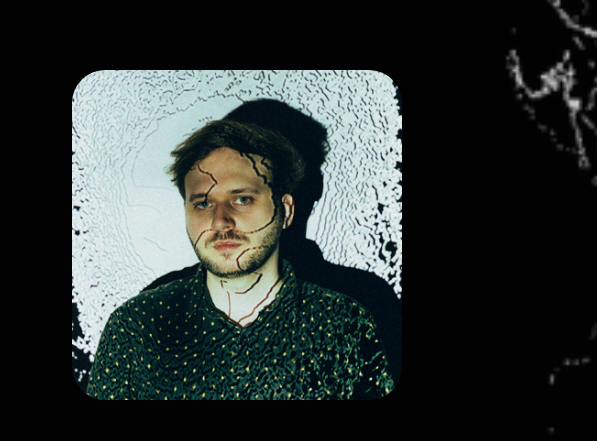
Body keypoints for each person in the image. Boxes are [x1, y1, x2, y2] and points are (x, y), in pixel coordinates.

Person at [87, 119, 395, 399]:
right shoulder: (139, 326)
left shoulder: (345, 323)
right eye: (203, 203)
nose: (220, 221)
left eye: (242, 199)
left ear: (286, 211)